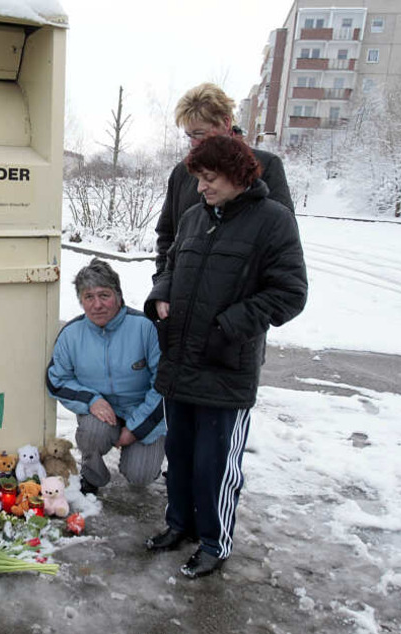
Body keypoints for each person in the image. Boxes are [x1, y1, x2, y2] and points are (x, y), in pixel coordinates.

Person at [143, 136, 307, 579]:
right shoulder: (195, 218)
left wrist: (228, 326)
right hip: (179, 360)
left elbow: (290, 294)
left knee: (216, 464)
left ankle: (215, 542)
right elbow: (172, 266)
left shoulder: (273, 222)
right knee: (178, 454)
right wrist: (160, 295)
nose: (200, 189)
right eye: (198, 179)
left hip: (224, 366)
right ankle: (179, 524)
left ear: (238, 175)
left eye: (209, 179)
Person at [46, 259, 166, 496]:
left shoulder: (145, 328)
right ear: (81, 300)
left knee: (140, 476)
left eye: (104, 295)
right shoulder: (71, 334)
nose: (97, 305)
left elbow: (164, 384)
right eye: (88, 297)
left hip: (140, 409)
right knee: (92, 433)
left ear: (118, 296)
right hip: (101, 412)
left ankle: (145, 454)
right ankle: (93, 475)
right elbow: (56, 380)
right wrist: (91, 400)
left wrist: (136, 428)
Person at [153, 83, 293, 279]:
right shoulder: (182, 173)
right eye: (189, 135)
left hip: (240, 300)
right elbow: (166, 236)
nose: (194, 142)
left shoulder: (265, 166)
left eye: (200, 133)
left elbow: (281, 246)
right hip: (184, 300)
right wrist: (162, 284)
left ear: (226, 123)